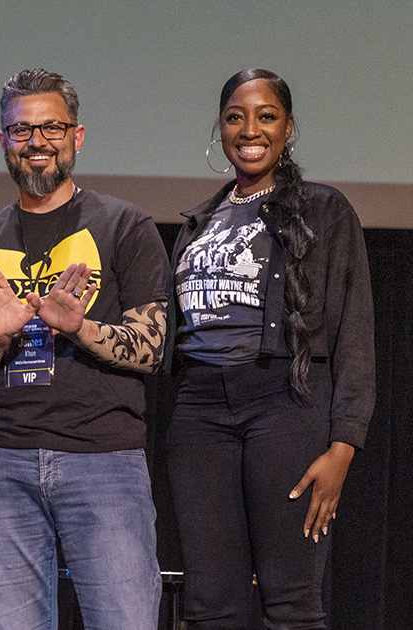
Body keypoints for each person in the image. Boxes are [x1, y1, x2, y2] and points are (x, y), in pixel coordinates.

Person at [0, 68, 168, 629]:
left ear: (77, 136)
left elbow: (153, 348)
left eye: (51, 128)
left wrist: (79, 328)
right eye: (21, 131)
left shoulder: (126, 227)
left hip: (104, 458)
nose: (36, 142)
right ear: (2, 141)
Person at [166, 68, 374, 629]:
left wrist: (343, 446)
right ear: (221, 128)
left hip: (285, 402)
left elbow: (354, 329)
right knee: (210, 604)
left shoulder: (324, 211)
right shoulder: (199, 221)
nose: (249, 129)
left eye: (266, 116)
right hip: (199, 410)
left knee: (291, 601)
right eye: (235, 117)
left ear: (288, 129)